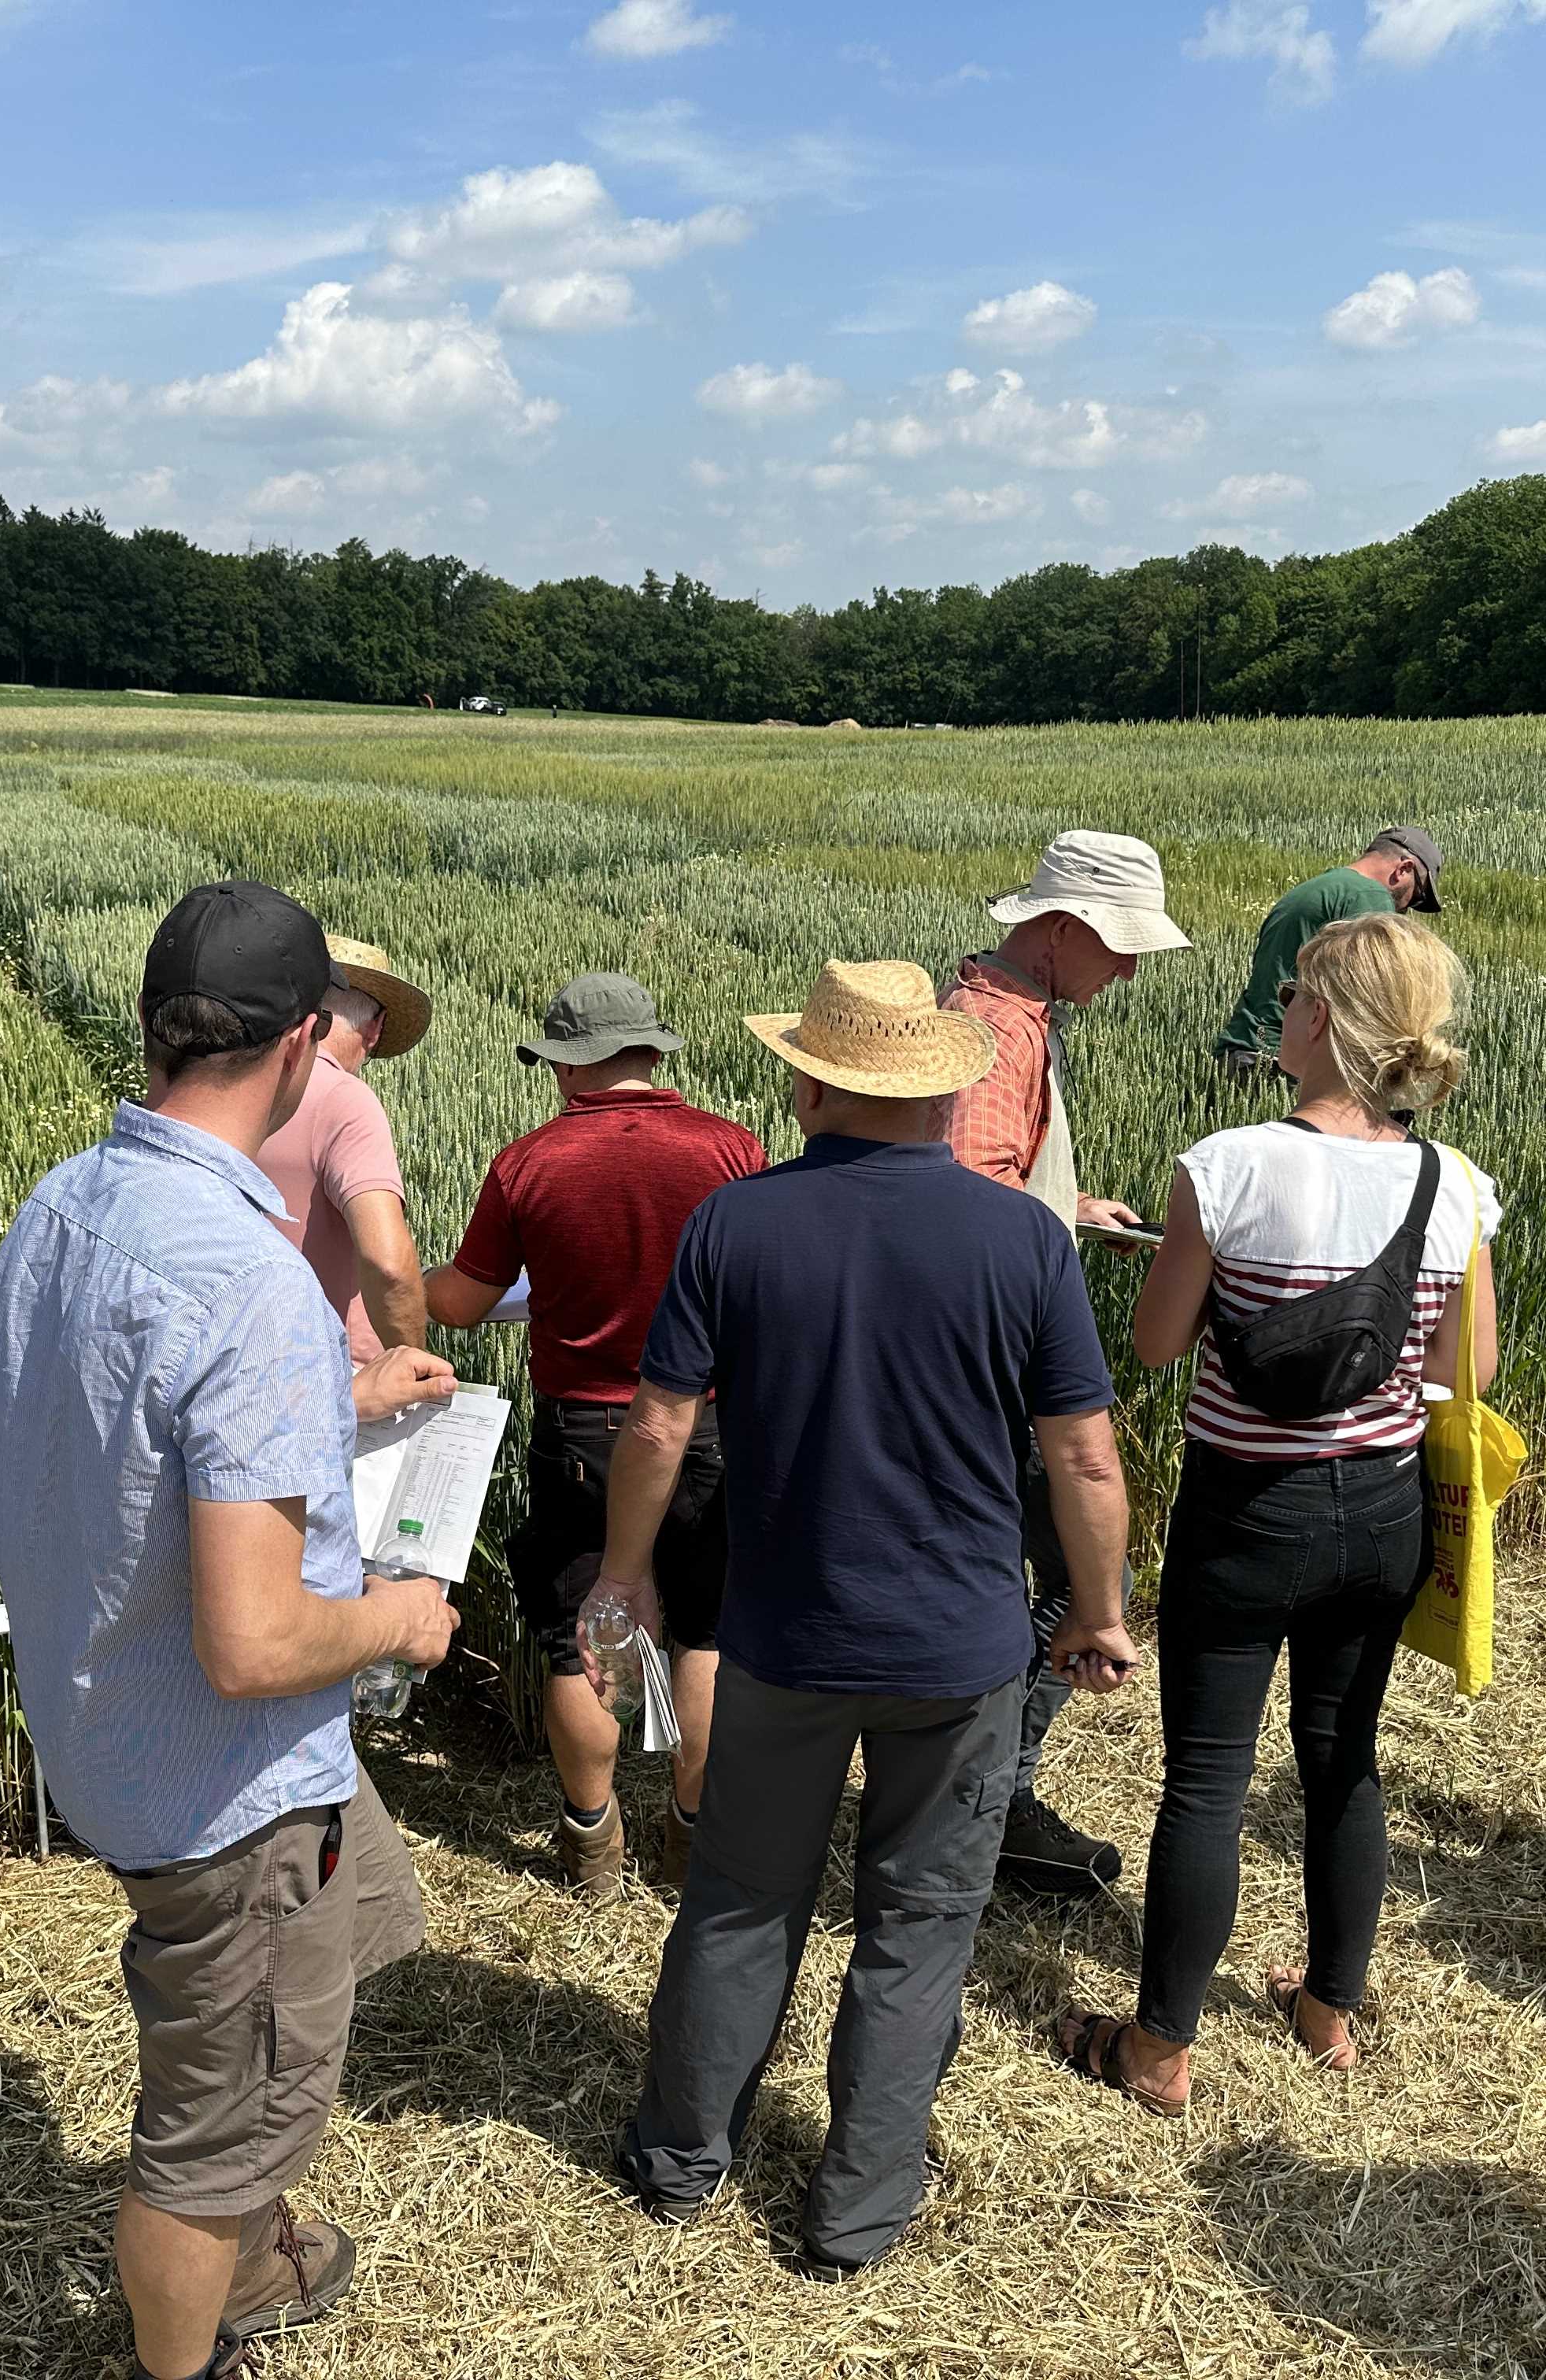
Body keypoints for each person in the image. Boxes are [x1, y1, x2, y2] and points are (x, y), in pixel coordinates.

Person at [0, 881, 460, 2380]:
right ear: (306, 1042)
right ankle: (189, 2344)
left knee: (360, 1908)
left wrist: (334, 1396)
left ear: (152, 1024)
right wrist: (399, 1616)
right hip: (224, 1779)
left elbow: (125, 1440)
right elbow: (252, 1644)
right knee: (209, 2127)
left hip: (111, 1713)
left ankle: (253, 2237)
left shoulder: (64, 1202)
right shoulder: (248, 1276)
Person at [603, 959, 1136, 2279]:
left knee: (739, 1901)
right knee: (919, 1925)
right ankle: (854, 2214)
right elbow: (1082, 1456)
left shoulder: (735, 1224)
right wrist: (1099, 1610)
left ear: (810, 1084)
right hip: (962, 1650)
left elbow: (659, 1425)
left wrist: (625, 1574)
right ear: (947, 1094)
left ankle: (679, 2163)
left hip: (783, 1639)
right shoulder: (1024, 1239)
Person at [1059, 912, 1496, 2116]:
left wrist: (1218, 1285)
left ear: (1320, 1020)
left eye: (1297, 995)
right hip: (1386, 1516)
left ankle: (1159, 2050)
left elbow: (1158, 1343)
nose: (1282, 1012)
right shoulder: (1451, 1183)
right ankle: (1327, 2011)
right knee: (1343, 1757)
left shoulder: (1228, 1166)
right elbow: (1468, 1367)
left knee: (1207, 1781)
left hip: (1248, 1511)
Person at [422, 972, 766, 1895]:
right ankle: (691, 1836)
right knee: (705, 1634)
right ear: (651, 1052)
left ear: (567, 1067)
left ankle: (592, 1843)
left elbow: (463, 1303)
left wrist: (396, 1282)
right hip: (707, 1427)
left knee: (580, 1635)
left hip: (584, 1438)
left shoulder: (529, 1164)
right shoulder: (733, 1150)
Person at [942, 828, 1187, 1900]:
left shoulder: (995, 1014)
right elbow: (970, 1190)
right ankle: (992, 1805)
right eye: (1119, 945)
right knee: (1091, 1579)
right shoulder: (1002, 1031)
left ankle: (977, 1796)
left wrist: (1071, 1205)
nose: (1127, 970)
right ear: (1058, 930)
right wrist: (1045, 1230)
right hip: (1001, 1352)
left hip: (986, 1342)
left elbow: (990, 1173)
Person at [256, 934, 431, 1362]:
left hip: (247, 1356)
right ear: (376, 1027)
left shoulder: (247, 1082)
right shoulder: (346, 1100)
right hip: (334, 1371)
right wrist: (413, 1361)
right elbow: (387, 1264)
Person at [1215, 826, 1446, 1075]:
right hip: (1285, 1060)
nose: (1406, 908)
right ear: (1404, 869)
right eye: (1417, 896)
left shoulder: (1322, 887)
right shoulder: (1370, 897)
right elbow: (1375, 995)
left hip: (1247, 1046)